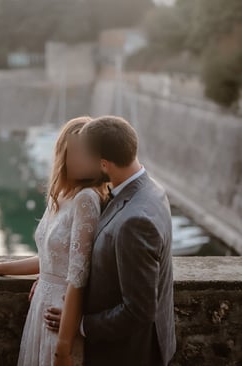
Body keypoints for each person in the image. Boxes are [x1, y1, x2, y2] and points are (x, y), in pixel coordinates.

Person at [45, 116, 176, 366]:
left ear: (104, 164)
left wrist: (81, 325)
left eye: (86, 155)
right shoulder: (152, 189)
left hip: (126, 355)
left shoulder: (134, 222)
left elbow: (138, 312)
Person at [0, 116, 108, 366]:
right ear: (64, 153)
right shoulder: (60, 196)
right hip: (41, 306)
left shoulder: (87, 199)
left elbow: (79, 272)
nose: (84, 158)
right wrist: (1, 267)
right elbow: (51, 259)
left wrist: (65, 346)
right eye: (77, 151)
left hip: (61, 312)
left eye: (90, 152)